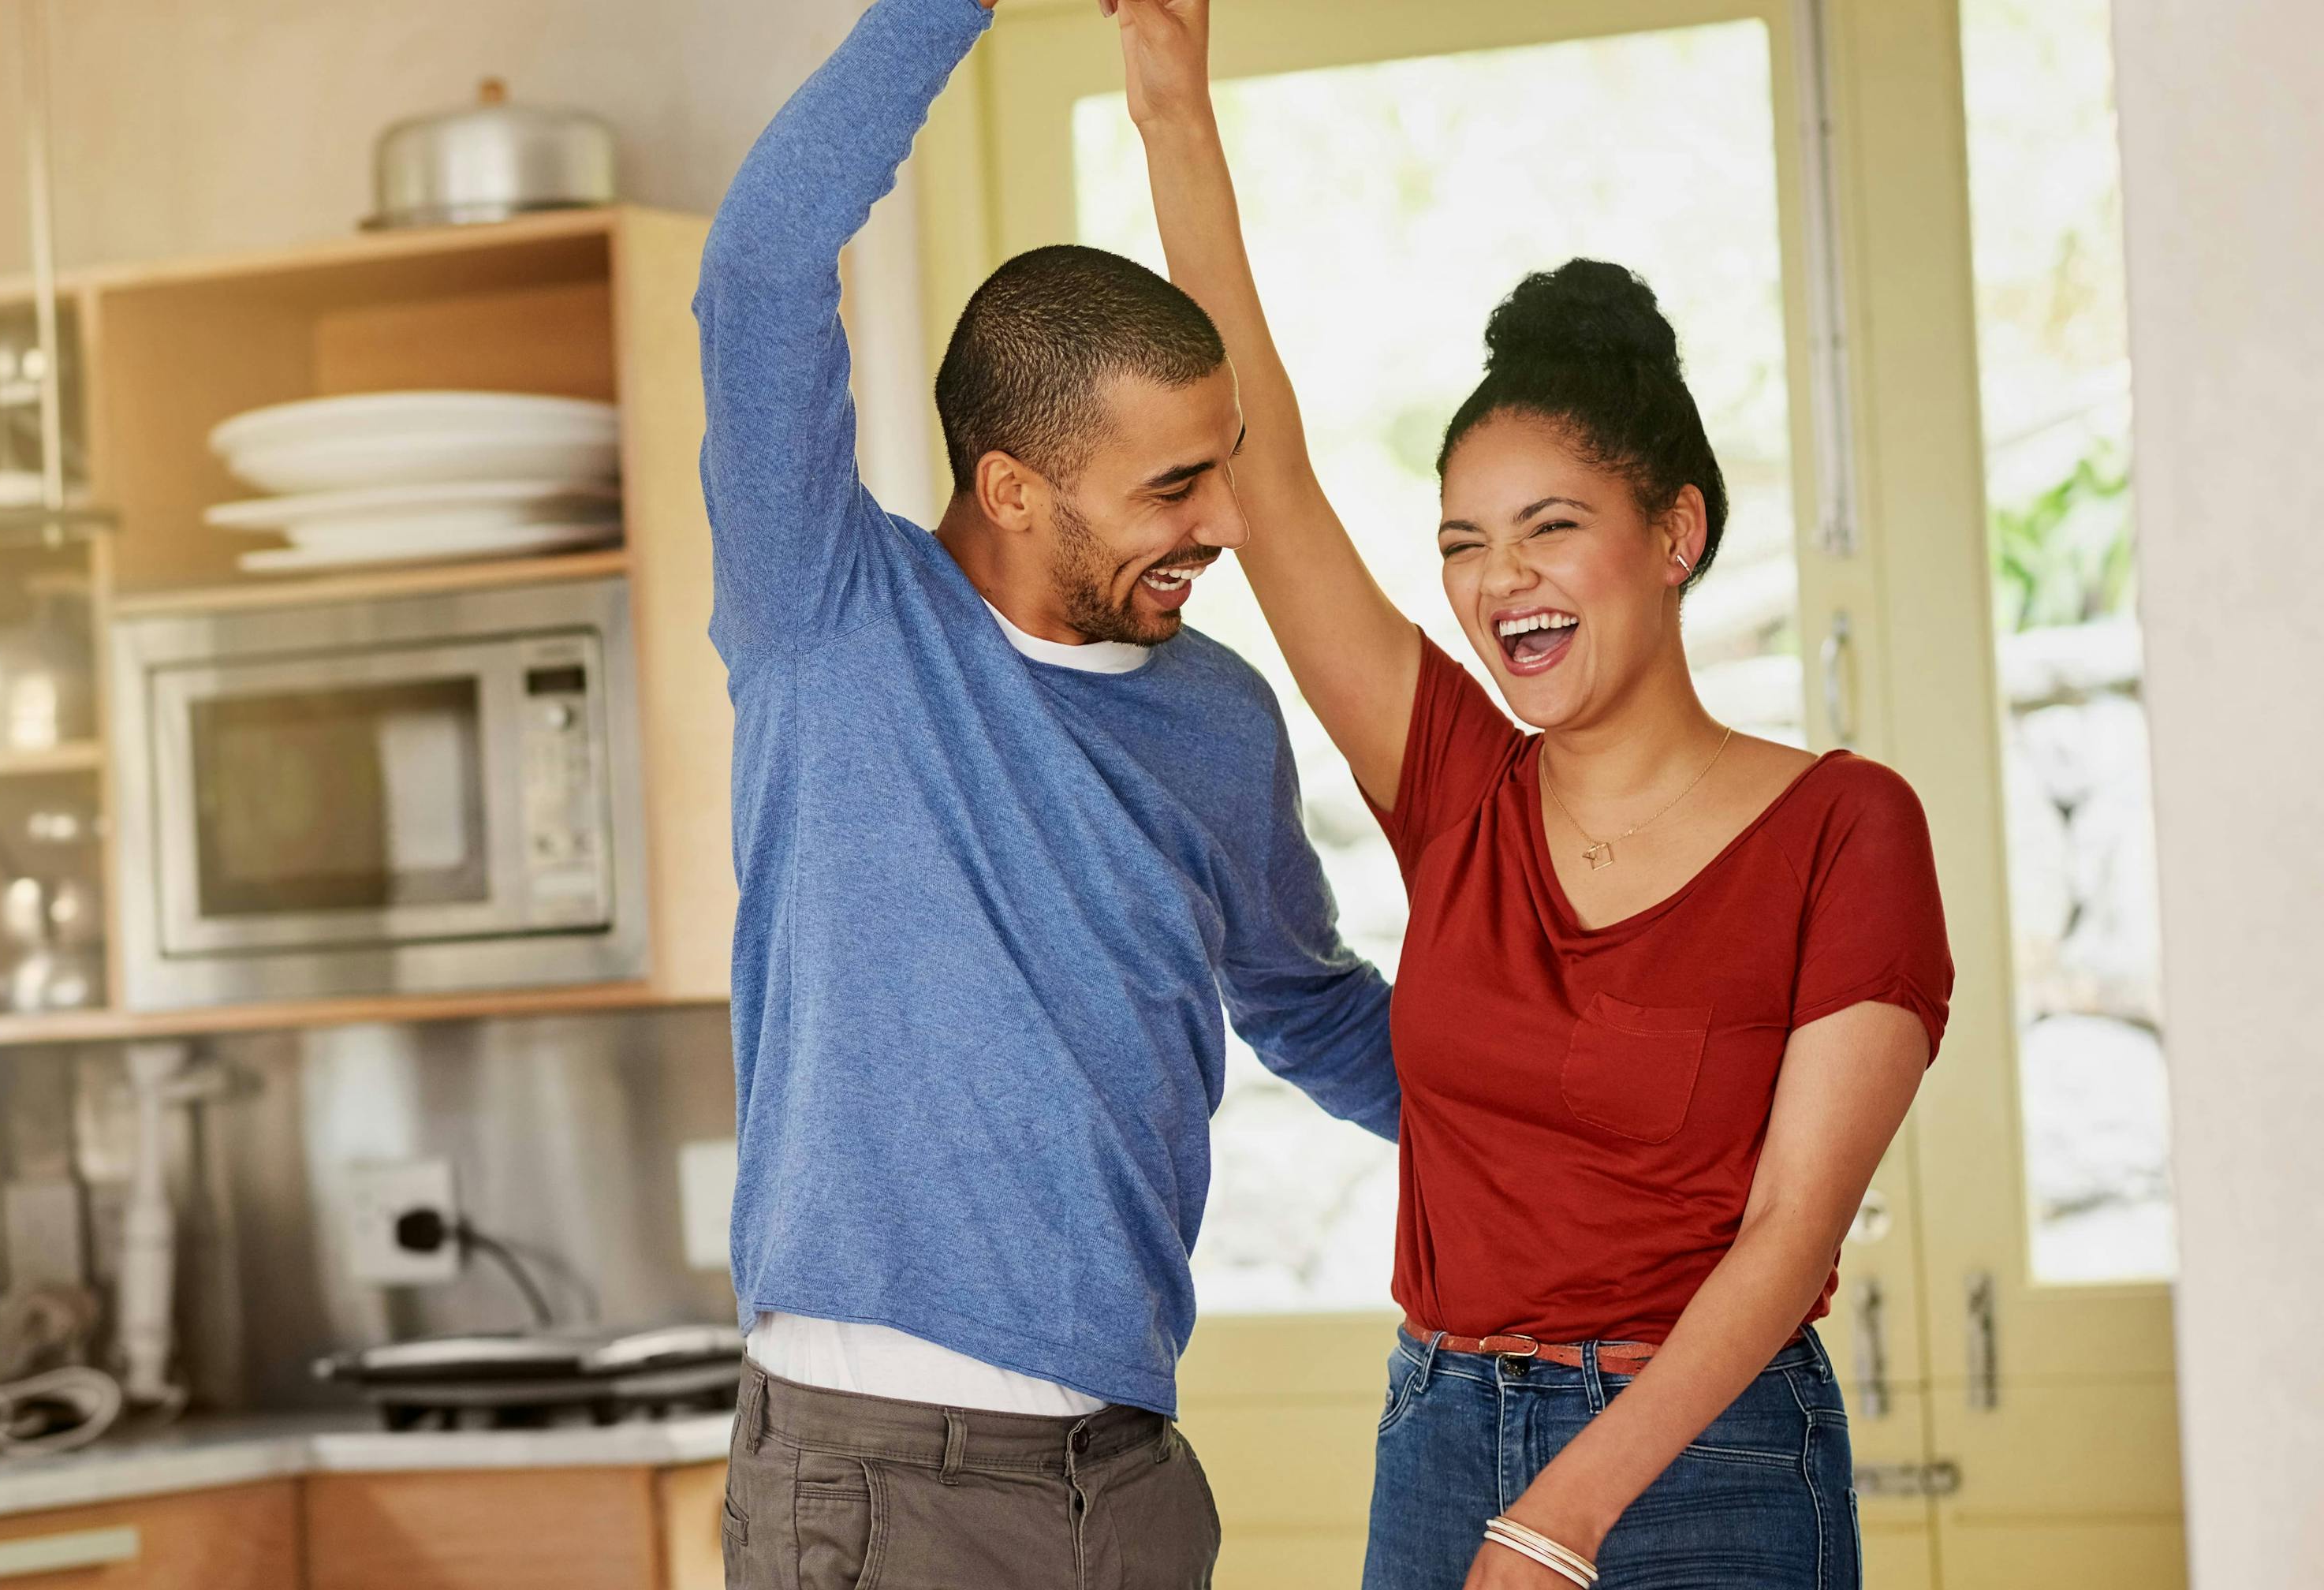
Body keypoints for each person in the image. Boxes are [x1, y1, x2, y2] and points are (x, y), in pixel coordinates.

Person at [1108, 4, 1955, 1587]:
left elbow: (1786, 1244)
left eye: (1550, 528)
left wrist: (1563, 1516)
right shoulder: (1457, 787)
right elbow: (1265, 471)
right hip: (1440, 1433)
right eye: (1462, 543)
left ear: (1678, 532)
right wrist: (1172, 112)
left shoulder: (1851, 832)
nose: (1501, 585)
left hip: (1713, 1460)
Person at [696, 0, 1403, 1583]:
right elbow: (756, 269)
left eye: (1222, 464)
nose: (1227, 518)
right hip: (871, 1489)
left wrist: (1589, 1127)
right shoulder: (831, 620)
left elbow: (1316, 1011)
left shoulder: (1220, 719)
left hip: (1132, 1481)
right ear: (1011, 487)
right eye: (1174, 485)